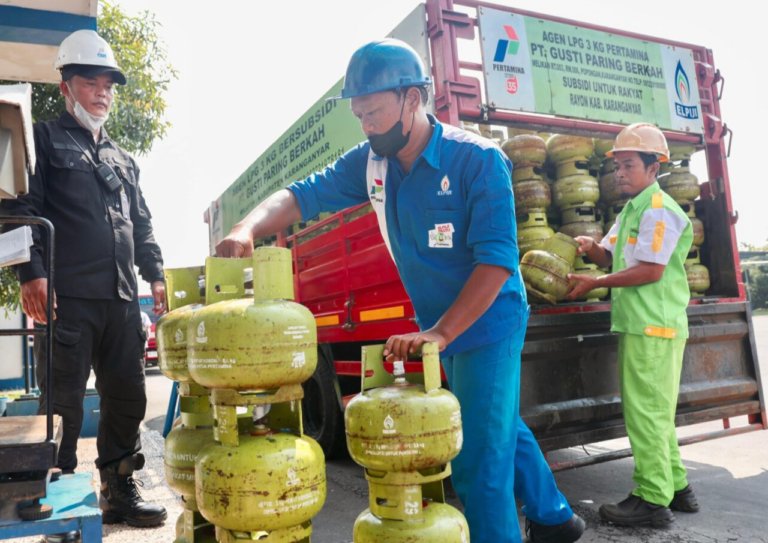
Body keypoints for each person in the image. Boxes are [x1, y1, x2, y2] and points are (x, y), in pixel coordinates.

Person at [216, 38, 584, 543]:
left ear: (413, 99)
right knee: (494, 423)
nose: (366, 125)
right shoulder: (371, 164)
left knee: (478, 457)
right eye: (359, 114)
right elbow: (300, 195)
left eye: (374, 112)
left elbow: (496, 264)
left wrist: (441, 332)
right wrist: (246, 228)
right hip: (439, 325)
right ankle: (557, 518)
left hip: (488, 320)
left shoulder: (477, 161)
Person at [0, 30, 167, 527]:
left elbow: (141, 222)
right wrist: (31, 274)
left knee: (128, 398)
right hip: (64, 299)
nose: (102, 92)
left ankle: (119, 490)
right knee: (62, 407)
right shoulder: (43, 141)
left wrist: (155, 275)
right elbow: (17, 207)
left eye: (108, 84)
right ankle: (57, 497)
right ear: (65, 86)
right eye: (90, 81)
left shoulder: (123, 158)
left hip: (119, 301)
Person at [567, 123, 699, 528]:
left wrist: (596, 282)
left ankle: (651, 500)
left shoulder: (658, 210)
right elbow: (611, 256)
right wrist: (593, 251)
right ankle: (676, 487)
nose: (619, 173)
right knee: (656, 413)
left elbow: (650, 270)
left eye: (628, 165)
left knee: (646, 415)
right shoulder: (633, 210)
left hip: (654, 328)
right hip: (643, 325)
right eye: (617, 166)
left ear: (654, 165)